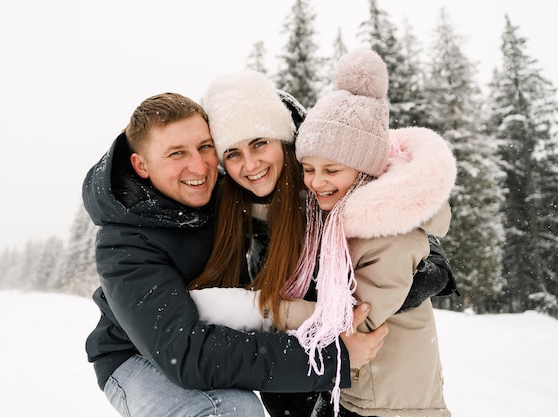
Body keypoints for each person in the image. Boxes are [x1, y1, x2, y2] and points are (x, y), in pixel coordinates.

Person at [82, 91, 388, 417]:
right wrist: (328, 358)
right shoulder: (125, 243)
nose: (198, 166)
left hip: (223, 335)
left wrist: (417, 255)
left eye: (204, 147)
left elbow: (343, 177)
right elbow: (186, 355)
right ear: (140, 165)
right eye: (176, 154)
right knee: (231, 410)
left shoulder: (231, 192)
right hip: (138, 356)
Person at [189, 70, 456, 417]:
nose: (250, 164)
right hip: (301, 381)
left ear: (286, 142)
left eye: (259, 143)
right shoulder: (229, 207)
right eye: (234, 153)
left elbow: (400, 226)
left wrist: (427, 270)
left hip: (372, 387)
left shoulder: (328, 190)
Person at [287, 48, 455, 416]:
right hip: (370, 391)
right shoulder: (344, 222)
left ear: (364, 171)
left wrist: (271, 311)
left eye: (331, 169)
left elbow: (355, 319)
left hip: (394, 402)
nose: (316, 182)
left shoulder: (387, 235)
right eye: (308, 168)